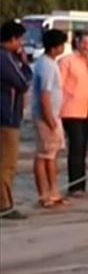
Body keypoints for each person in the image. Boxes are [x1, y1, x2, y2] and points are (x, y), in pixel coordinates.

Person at [31, 29, 69, 209]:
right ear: (55, 47)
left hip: (54, 115)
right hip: (46, 117)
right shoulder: (45, 65)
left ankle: (54, 191)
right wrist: (49, 119)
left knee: (52, 155)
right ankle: (44, 194)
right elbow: (44, 95)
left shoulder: (51, 63)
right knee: (43, 155)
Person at [0, 21, 32, 220]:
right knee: (7, 163)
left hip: (4, 114)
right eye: (20, 39)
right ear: (12, 39)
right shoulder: (5, 58)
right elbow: (23, 81)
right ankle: (4, 205)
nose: (21, 43)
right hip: (7, 116)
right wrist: (26, 64)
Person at [59, 30, 88, 197]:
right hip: (70, 110)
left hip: (87, 111)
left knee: (82, 150)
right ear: (77, 42)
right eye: (84, 43)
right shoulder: (66, 61)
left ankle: (81, 185)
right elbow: (58, 86)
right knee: (76, 148)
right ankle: (74, 187)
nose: (87, 47)